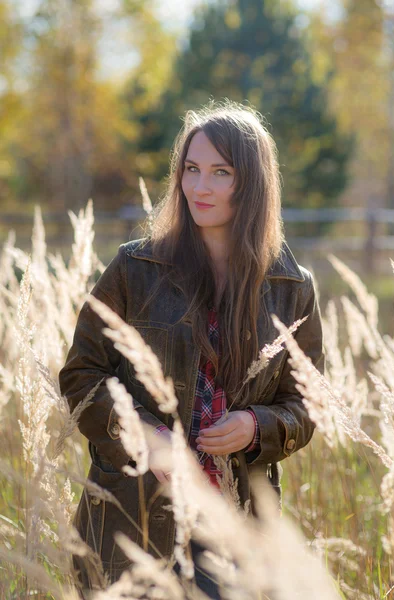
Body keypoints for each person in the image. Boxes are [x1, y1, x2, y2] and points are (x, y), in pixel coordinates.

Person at [59, 100, 325, 598]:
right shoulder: (135, 269)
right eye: (191, 169)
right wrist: (141, 433)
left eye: (220, 172)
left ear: (251, 182)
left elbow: (308, 406)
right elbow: (81, 375)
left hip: (237, 522)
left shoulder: (292, 286)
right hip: (131, 516)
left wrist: (255, 426)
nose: (199, 187)